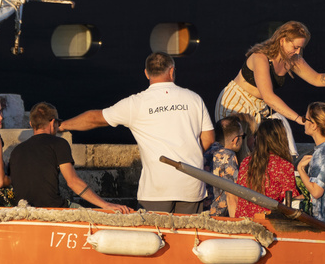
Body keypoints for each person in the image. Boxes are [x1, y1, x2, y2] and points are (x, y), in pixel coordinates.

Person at [62, 52, 214, 214]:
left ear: (146, 73)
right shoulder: (193, 99)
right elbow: (209, 138)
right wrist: (189, 155)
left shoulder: (136, 103)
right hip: (190, 185)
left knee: (154, 237)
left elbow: (94, 118)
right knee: (187, 236)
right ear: (172, 71)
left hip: (156, 190)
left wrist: (62, 125)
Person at [215, 21, 325, 150]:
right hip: (236, 103)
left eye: (301, 48)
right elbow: (268, 97)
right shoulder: (260, 57)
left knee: (257, 153)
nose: (298, 51)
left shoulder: (293, 58)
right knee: (234, 151)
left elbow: (317, 78)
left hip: (258, 107)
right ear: (282, 40)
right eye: (295, 47)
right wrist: (298, 119)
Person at [8, 102, 131, 214]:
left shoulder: (16, 151)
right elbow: (73, 182)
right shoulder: (58, 143)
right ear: (53, 123)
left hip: (23, 210)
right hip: (53, 209)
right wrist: (105, 204)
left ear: (31, 124)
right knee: (92, 215)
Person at [230, 118, 297, 220]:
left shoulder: (246, 162)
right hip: (268, 225)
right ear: (281, 139)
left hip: (242, 223)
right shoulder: (284, 166)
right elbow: (291, 200)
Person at [202, 115, 245, 217]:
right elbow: (232, 196)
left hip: (198, 213)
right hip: (217, 218)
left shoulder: (204, 149)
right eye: (243, 136)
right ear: (235, 140)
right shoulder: (227, 155)